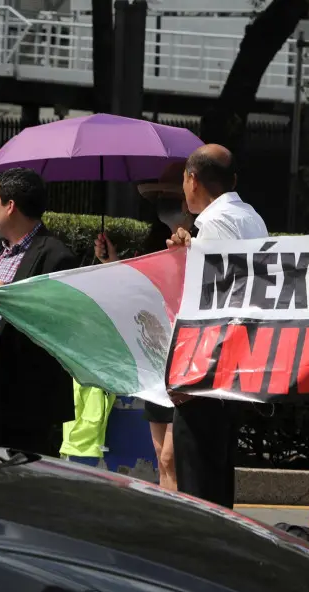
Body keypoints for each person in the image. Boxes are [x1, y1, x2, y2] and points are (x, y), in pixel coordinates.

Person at [166, 145, 268, 507]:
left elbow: (213, 304)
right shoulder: (250, 217)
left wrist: (193, 376)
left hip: (207, 373)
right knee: (216, 480)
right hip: (234, 370)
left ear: (192, 179)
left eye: (183, 179)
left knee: (200, 492)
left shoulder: (215, 222)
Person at [95, 160, 194, 491]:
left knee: (171, 457)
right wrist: (111, 262)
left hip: (186, 359)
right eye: (161, 197)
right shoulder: (153, 244)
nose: (167, 204)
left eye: (173, 196)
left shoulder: (202, 243)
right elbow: (135, 290)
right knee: (159, 454)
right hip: (157, 360)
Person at [0, 168, 78, 456]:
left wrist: (13, 297)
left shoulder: (57, 256)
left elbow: (61, 322)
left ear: (10, 207)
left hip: (28, 403)